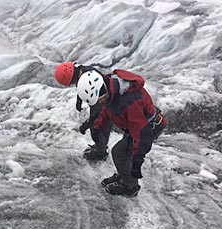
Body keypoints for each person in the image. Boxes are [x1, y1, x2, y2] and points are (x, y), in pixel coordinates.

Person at [76, 69, 167, 197]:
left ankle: (130, 186)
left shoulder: (129, 101)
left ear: (102, 92)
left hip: (147, 128)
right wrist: (97, 128)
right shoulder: (111, 91)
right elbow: (107, 112)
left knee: (120, 153)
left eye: (98, 99)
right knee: (123, 153)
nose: (99, 103)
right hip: (134, 126)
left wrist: (137, 160)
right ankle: (124, 175)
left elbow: (142, 134)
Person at [54, 62, 113, 161]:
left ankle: (101, 153)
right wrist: (79, 100)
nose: (73, 85)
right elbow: (82, 88)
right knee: (96, 128)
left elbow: (97, 113)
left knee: (99, 129)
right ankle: (99, 147)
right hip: (100, 101)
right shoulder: (84, 71)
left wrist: (86, 125)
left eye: (72, 83)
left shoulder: (90, 80)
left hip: (106, 104)